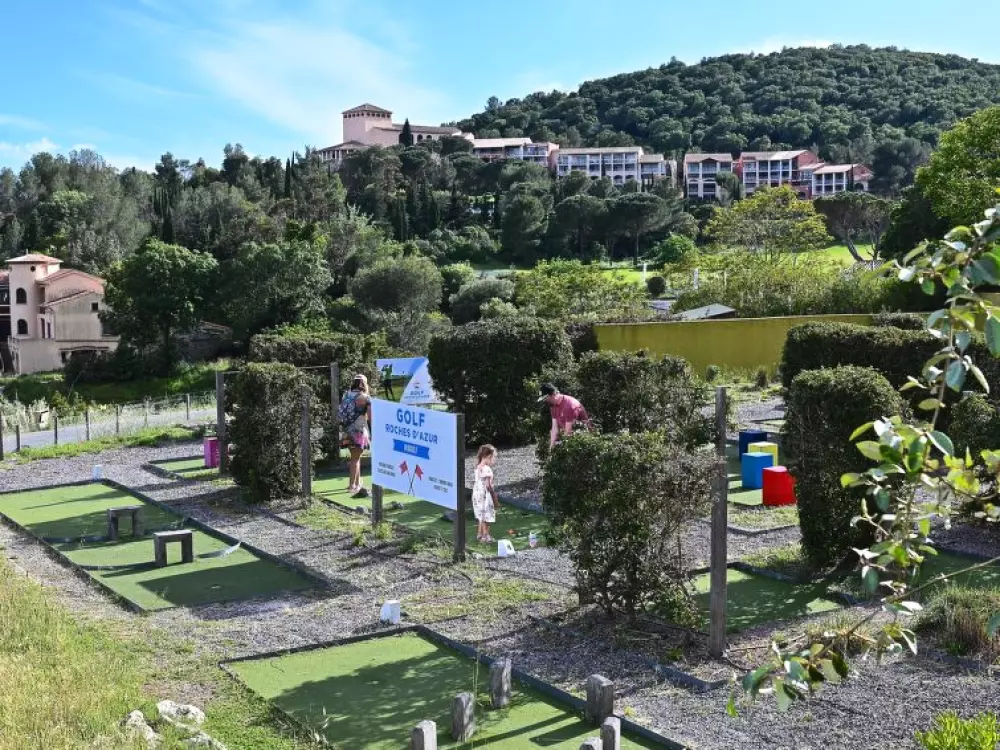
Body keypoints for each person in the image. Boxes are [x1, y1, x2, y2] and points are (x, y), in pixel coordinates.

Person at [339, 374, 371, 497]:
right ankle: (352, 486)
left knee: (354, 457)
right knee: (355, 459)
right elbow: (371, 417)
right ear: (364, 383)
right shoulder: (366, 397)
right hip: (359, 430)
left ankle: (357, 483)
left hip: (347, 430)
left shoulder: (346, 395)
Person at [539, 383, 592, 450]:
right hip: (570, 437)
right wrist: (551, 449)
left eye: (545, 398)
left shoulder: (569, 405)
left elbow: (568, 432)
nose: (544, 401)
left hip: (583, 439)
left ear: (553, 394)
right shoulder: (553, 406)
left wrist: (563, 450)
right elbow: (554, 428)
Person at [472, 444, 499, 543]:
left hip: (477, 495)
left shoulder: (478, 467)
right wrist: (494, 497)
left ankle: (479, 535)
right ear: (489, 456)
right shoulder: (487, 468)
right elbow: (488, 485)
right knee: (487, 516)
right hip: (485, 496)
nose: (494, 460)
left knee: (481, 515)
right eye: (494, 458)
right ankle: (486, 536)